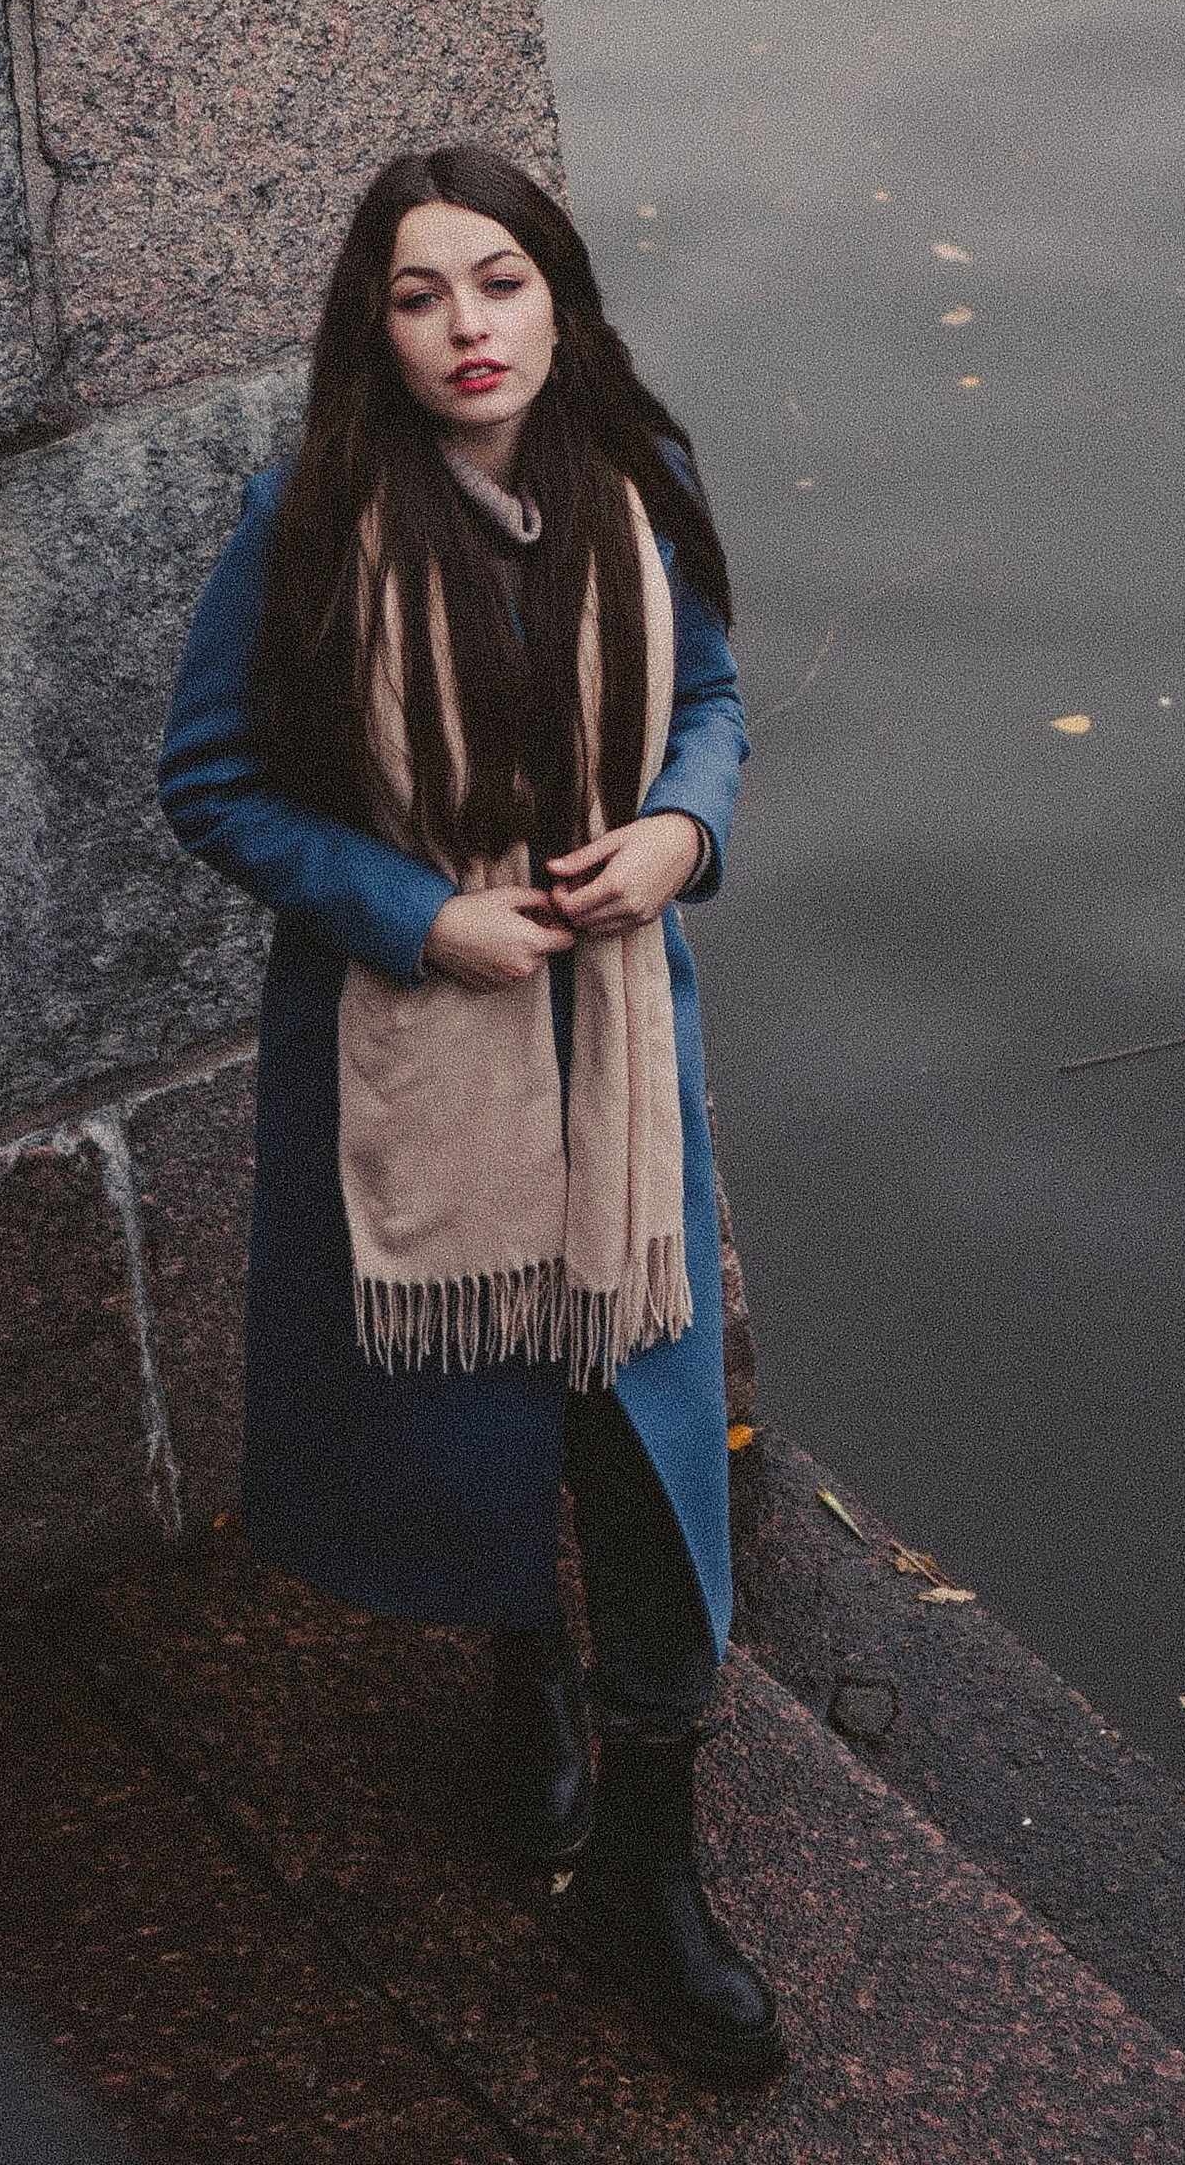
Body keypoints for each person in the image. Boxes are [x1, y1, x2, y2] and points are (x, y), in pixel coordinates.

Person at [156, 141, 779, 2087]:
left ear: (556, 298)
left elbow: (717, 703)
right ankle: (522, 1664)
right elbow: (216, 783)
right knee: (486, 1410)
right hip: (425, 1043)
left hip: (618, 1065)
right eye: (419, 295)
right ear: (378, 326)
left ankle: (645, 1871)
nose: (465, 328)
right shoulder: (311, 523)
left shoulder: (633, 487)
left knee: (650, 1459)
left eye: (495, 283)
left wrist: (680, 828)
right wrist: (417, 913)